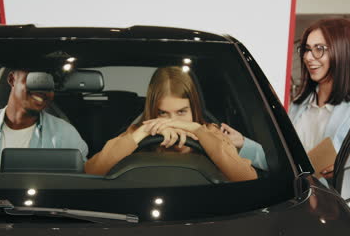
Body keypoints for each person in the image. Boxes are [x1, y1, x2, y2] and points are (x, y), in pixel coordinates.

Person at [85, 66, 258, 182]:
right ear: (153, 111)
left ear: (194, 109)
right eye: (163, 113)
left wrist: (197, 131)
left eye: (181, 112)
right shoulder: (139, 131)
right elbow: (92, 171)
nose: (173, 121)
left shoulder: (209, 132)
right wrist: (142, 133)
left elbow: (246, 178)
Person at [290, 18, 350, 179]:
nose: (308, 57)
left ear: (342, 52)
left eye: (319, 49)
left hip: (335, 200)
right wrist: (244, 143)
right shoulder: (298, 105)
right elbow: (283, 159)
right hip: (298, 199)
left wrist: (345, 169)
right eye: (306, 49)